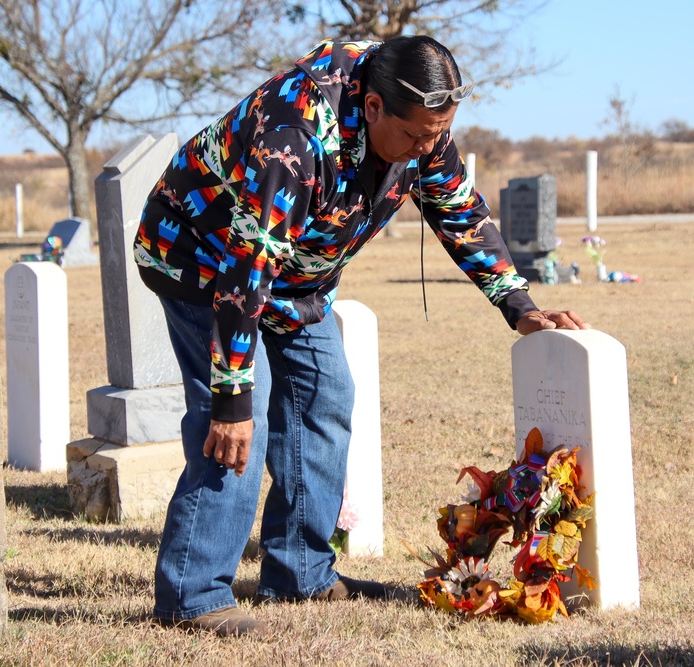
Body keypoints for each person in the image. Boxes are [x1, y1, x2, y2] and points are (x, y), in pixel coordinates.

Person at [134, 35, 589, 638]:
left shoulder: (416, 117)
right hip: (204, 262)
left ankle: (300, 573)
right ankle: (192, 595)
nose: (428, 148)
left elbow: (457, 206)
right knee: (242, 425)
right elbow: (249, 265)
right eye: (417, 137)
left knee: (327, 395)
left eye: (438, 134)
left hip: (295, 277)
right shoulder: (292, 135)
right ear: (373, 107)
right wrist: (232, 396)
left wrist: (518, 304)